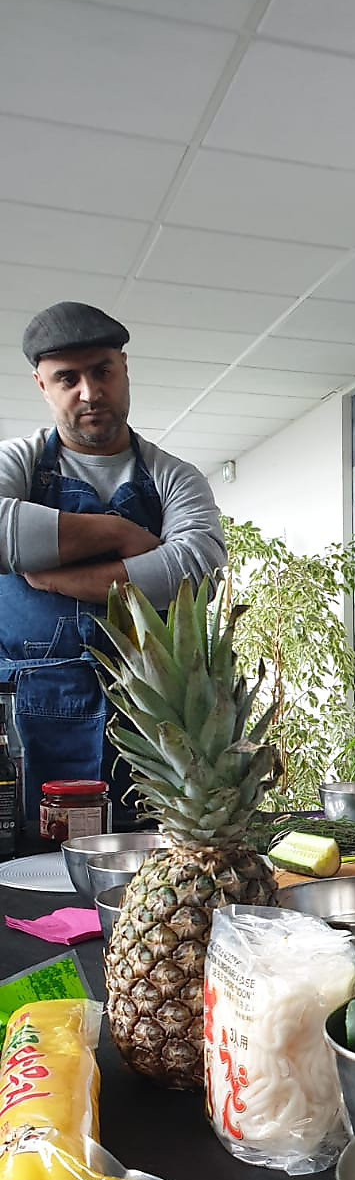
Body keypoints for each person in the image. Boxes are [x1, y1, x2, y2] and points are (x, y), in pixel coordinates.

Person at [0, 301, 227, 822]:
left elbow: (201, 568)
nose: (89, 392)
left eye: (102, 371)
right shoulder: (17, 462)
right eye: (67, 378)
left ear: (124, 370)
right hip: (28, 734)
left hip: (150, 729)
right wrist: (118, 533)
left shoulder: (176, 477)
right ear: (41, 385)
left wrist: (64, 579)